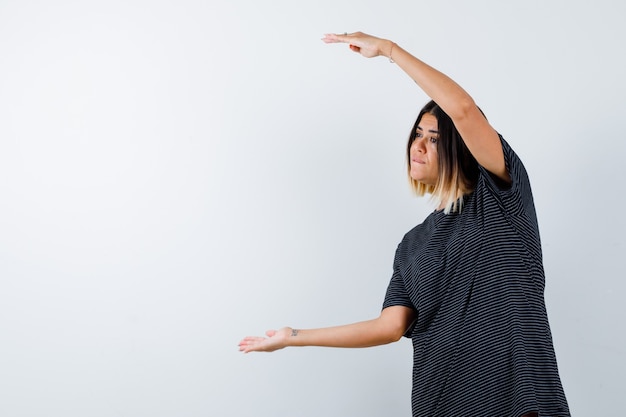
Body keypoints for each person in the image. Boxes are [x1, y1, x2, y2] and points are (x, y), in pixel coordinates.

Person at [238, 32, 570, 417]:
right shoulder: (412, 244)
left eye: (434, 138)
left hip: (518, 401)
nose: (419, 145)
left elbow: (463, 109)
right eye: (417, 134)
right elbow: (389, 326)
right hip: (442, 401)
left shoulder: (500, 195)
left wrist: (390, 51)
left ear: (459, 148)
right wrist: (293, 337)